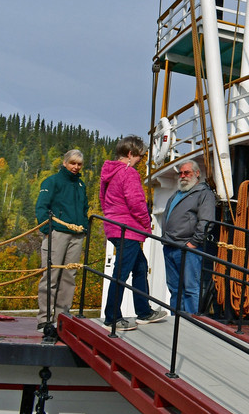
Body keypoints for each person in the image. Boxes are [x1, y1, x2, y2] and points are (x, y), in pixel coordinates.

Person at [100, 136, 169, 331]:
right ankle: (112, 318)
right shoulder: (129, 173)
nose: (140, 160)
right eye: (140, 155)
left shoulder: (109, 173)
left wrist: (112, 218)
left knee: (140, 267)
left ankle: (144, 311)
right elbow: (136, 202)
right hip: (127, 230)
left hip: (115, 227)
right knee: (121, 273)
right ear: (130, 154)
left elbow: (103, 199)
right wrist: (147, 224)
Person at [35, 148, 90, 330]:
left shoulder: (80, 185)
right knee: (50, 275)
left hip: (77, 234)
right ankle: (44, 319)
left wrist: (84, 227)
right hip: (57, 233)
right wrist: (47, 230)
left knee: (69, 276)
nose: (76, 167)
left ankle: (61, 317)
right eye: (72, 163)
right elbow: (41, 207)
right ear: (65, 163)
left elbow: (84, 208)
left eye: (79, 164)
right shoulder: (52, 182)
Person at [161, 160, 215, 314]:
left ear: (197, 173)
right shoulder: (176, 195)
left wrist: (193, 242)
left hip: (188, 248)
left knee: (191, 288)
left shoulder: (204, 193)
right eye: (181, 173)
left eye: (187, 173)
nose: (183, 176)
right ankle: (175, 320)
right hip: (170, 247)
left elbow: (206, 221)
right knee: (174, 289)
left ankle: (191, 322)